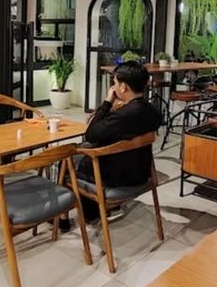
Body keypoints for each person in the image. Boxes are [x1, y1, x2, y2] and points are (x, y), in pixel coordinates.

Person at [65, 61, 162, 226]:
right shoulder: (153, 111)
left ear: (123, 87)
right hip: (142, 172)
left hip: (118, 177)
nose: (113, 87)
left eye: (115, 83)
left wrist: (107, 103)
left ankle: (65, 219)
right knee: (86, 154)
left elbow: (91, 134)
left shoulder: (123, 116)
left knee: (67, 161)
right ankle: (95, 210)